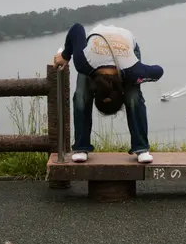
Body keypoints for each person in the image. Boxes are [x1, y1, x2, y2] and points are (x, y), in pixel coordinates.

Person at [53, 23, 164, 164]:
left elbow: (77, 28)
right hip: (101, 51)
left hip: (122, 49)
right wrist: (66, 55)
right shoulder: (86, 63)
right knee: (82, 96)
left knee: (132, 97)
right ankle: (81, 147)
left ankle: (141, 148)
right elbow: (159, 71)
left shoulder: (130, 71)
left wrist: (65, 55)